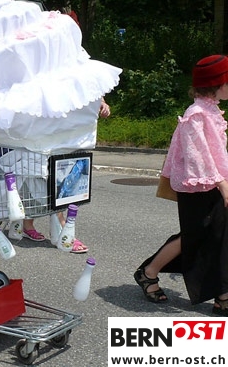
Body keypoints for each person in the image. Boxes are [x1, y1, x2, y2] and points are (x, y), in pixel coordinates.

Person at [134, 54, 228, 314]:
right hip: (196, 185)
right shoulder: (196, 114)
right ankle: (148, 272)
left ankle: (222, 294)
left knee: (217, 235)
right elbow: (199, 155)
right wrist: (222, 184)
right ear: (216, 84)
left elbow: (217, 152)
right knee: (195, 235)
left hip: (213, 182)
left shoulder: (211, 110)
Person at [15, 97, 111, 252]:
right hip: (43, 134)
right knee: (43, 182)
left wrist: (101, 102)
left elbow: (90, 89)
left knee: (49, 182)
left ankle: (33, 226)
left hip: (64, 136)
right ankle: (61, 232)